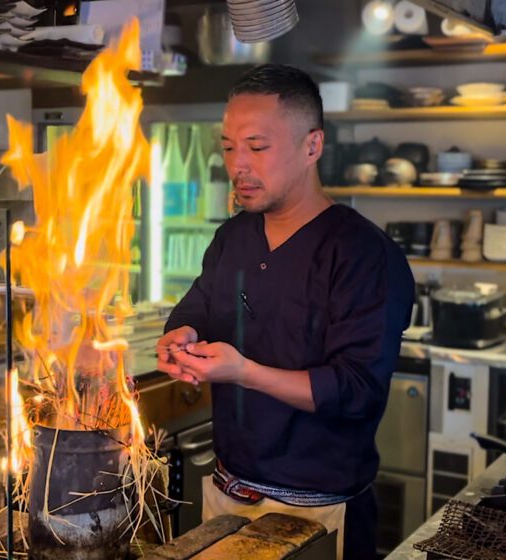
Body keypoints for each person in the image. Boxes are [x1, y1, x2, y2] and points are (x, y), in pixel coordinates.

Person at [155, 64, 415, 560]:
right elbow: (200, 307)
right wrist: (180, 336)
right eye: (229, 146)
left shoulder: (363, 254)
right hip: (228, 499)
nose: (238, 165)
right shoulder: (234, 236)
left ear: (311, 146)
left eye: (258, 146)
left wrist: (245, 373)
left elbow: (356, 389)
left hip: (316, 515)